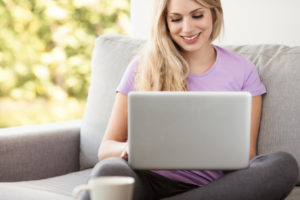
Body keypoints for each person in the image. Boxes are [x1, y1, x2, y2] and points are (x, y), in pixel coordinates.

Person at [81, 0, 299, 199]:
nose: (187, 28)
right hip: (147, 181)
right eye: (176, 19)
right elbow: (105, 148)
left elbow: (248, 155)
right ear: (165, 22)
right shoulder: (142, 67)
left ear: (214, 14)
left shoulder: (243, 71)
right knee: (107, 171)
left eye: (197, 15)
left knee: (283, 165)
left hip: (214, 189)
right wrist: (130, 147)